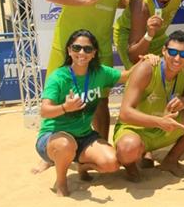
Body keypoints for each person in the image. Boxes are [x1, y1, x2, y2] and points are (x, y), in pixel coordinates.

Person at [33, 29, 152, 197]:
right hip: (53, 137)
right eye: (76, 48)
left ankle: (83, 166)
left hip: (84, 136)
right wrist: (65, 108)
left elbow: (127, 76)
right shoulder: (58, 77)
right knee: (65, 145)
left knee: (111, 164)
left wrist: (146, 60)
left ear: (94, 53)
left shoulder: (100, 73)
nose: (82, 53)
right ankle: (61, 182)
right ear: (69, 50)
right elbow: (44, 111)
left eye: (87, 49)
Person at [44, 0, 131, 140]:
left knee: (100, 100)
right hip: (68, 45)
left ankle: (100, 144)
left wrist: (140, 4)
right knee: (57, 99)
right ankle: (51, 151)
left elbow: (117, 1)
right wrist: (84, 0)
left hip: (99, 47)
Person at [114, 30, 184, 180]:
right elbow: (125, 113)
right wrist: (160, 122)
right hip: (138, 128)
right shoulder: (147, 69)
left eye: (183, 54)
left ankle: (171, 160)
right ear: (163, 51)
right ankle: (131, 167)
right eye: (173, 52)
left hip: (166, 127)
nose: (177, 58)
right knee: (127, 148)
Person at [114, 0, 184, 69]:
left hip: (157, 35)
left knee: (177, 69)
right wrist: (149, 35)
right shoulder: (141, 5)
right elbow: (134, 56)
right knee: (142, 72)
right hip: (131, 38)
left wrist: (152, 33)